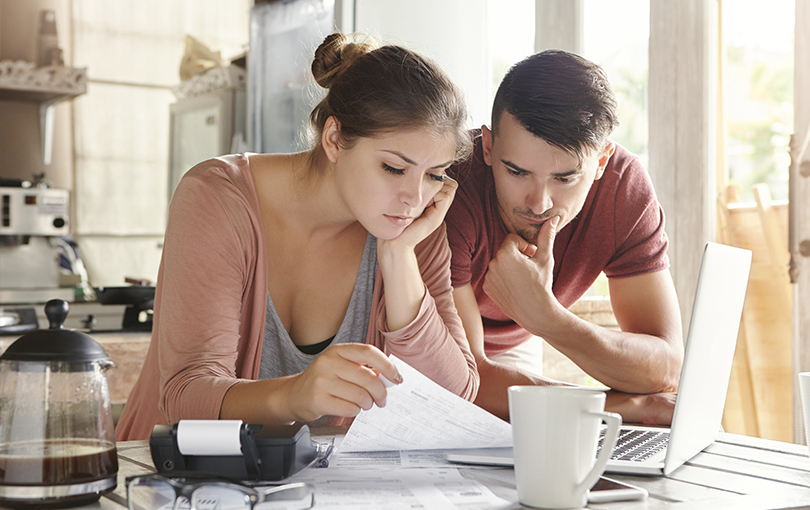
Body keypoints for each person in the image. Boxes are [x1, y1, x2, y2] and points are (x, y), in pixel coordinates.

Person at [116, 32, 479, 441]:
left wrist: (398, 257)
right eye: (394, 168)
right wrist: (295, 395)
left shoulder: (410, 229)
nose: (415, 197)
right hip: (165, 481)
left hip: (307, 490)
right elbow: (185, 395)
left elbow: (457, 395)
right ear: (335, 140)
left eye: (435, 175)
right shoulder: (216, 197)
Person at [445, 49, 684, 424]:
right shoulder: (451, 184)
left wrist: (547, 318)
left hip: (517, 346)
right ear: (489, 148)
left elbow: (666, 368)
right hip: (432, 358)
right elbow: (464, 380)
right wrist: (621, 409)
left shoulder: (624, 189)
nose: (539, 204)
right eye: (516, 172)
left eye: (565, 178)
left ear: (602, 161)